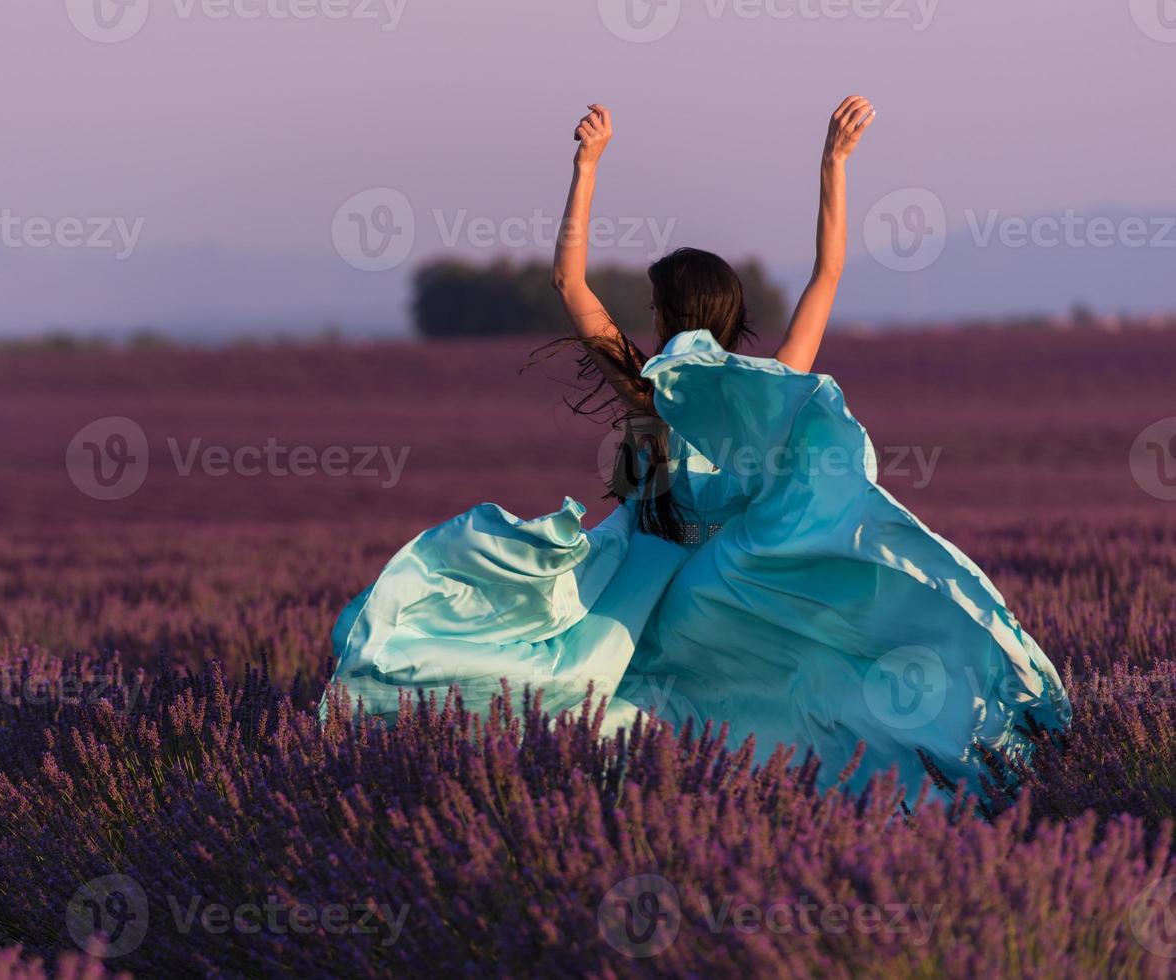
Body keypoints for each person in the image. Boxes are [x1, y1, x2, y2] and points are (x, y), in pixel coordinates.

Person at [323, 98, 1069, 798]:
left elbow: (567, 282)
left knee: (590, 691)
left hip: (656, 589)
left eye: (652, 307)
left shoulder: (649, 395)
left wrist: (586, 166)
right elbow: (828, 273)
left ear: (665, 312)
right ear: (733, 312)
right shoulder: (776, 387)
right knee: (807, 703)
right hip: (739, 584)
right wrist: (832, 165)